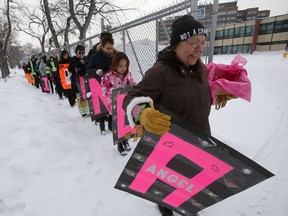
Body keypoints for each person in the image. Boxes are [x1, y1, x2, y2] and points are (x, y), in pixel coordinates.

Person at [122, 15, 211, 216]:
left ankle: (189, 204)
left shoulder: (199, 68)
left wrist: (219, 91)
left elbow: (197, 94)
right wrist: (142, 112)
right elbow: (132, 98)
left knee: (193, 177)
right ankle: (166, 204)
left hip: (200, 137)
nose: (200, 48)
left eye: (203, 42)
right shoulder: (160, 72)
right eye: (193, 43)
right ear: (176, 45)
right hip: (172, 144)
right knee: (172, 179)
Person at [101, 52, 136, 155]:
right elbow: (104, 91)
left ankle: (125, 141)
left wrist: (133, 85)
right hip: (114, 106)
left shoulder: (128, 74)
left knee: (125, 124)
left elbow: (132, 82)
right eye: (120, 66)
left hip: (126, 104)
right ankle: (120, 144)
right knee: (117, 125)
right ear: (115, 64)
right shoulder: (108, 76)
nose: (123, 68)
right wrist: (114, 89)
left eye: (125, 66)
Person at [87, 36, 116, 135]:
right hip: (99, 84)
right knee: (101, 105)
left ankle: (111, 125)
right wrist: (96, 71)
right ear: (102, 47)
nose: (110, 50)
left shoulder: (114, 56)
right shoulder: (95, 57)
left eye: (111, 48)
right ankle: (102, 126)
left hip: (111, 84)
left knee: (111, 104)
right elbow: (88, 70)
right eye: (108, 48)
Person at [69, 45, 88, 114]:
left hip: (85, 80)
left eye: (83, 53)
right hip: (77, 81)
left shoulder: (86, 58)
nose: (81, 54)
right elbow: (70, 69)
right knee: (79, 95)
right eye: (79, 53)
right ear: (76, 52)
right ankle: (83, 112)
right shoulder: (73, 59)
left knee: (86, 94)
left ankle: (89, 109)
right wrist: (79, 63)